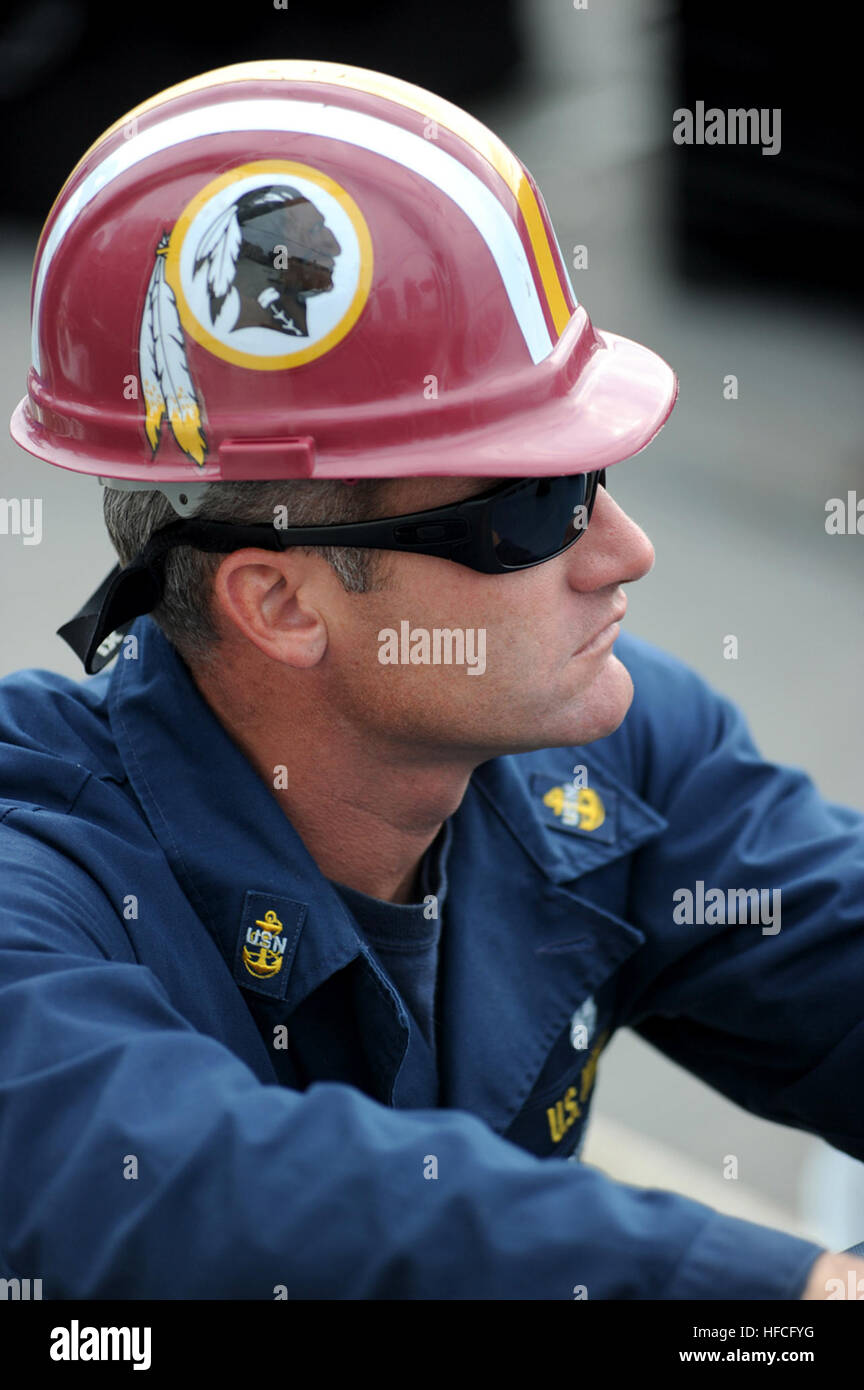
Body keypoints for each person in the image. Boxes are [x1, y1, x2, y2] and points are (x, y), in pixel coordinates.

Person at [3, 59, 862, 1301]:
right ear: (281, 601)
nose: (623, 551)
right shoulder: (39, 890)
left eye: (598, 479)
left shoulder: (608, 749)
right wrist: (783, 1297)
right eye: (538, 508)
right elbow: (211, 1198)